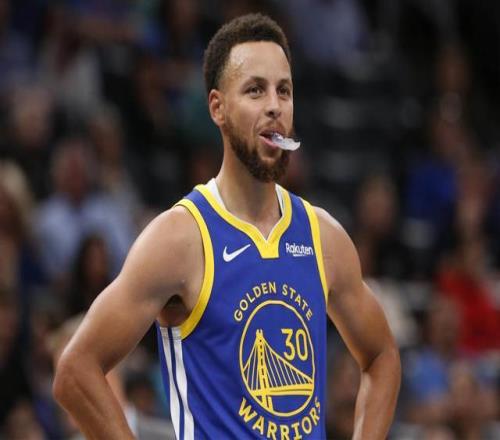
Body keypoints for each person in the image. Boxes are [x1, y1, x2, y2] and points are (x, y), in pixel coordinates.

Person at [53, 13, 400, 439]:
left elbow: (382, 356)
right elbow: (75, 372)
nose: (274, 105)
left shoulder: (323, 236)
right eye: (255, 90)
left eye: (284, 91)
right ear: (217, 107)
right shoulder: (180, 238)